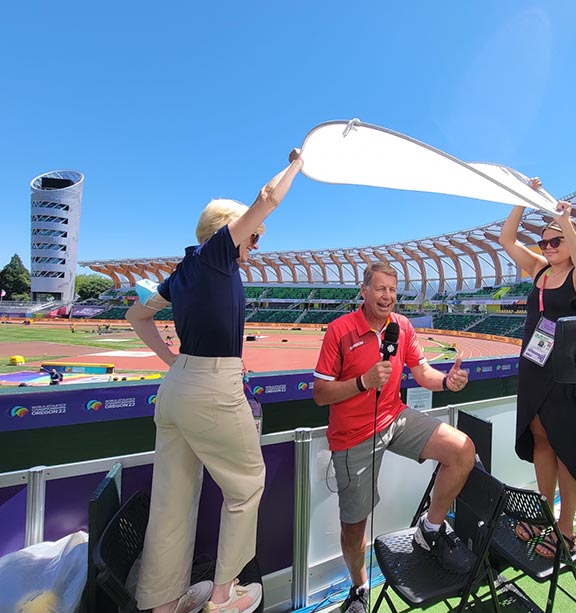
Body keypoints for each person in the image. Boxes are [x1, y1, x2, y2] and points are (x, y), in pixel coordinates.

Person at [125, 149, 303, 613]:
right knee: (247, 486)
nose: (257, 244)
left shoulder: (185, 269)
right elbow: (268, 197)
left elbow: (135, 315)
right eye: (255, 236)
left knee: (172, 499)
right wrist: (299, 162)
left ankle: (161, 602)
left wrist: (171, 360)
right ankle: (224, 596)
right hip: (212, 387)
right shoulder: (219, 256)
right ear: (231, 228)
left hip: (178, 387)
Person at [312, 262, 476, 613]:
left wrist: (447, 381)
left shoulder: (401, 326)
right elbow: (320, 393)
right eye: (380, 289)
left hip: (394, 417)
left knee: (462, 450)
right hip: (353, 434)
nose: (387, 296)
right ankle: (358, 589)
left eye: (392, 290)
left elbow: (421, 372)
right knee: (354, 525)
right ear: (364, 291)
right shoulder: (339, 330)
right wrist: (362, 382)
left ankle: (430, 528)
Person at [498, 177, 576, 558]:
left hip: (564, 370)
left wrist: (567, 222)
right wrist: (520, 200)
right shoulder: (540, 271)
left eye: (556, 241)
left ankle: (566, 528)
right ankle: (543, 515)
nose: (548, 246)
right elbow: (507, 240)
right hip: (534, 366)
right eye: (544, 242)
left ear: (573, 241)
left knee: (566, 447)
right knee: (541, 437)